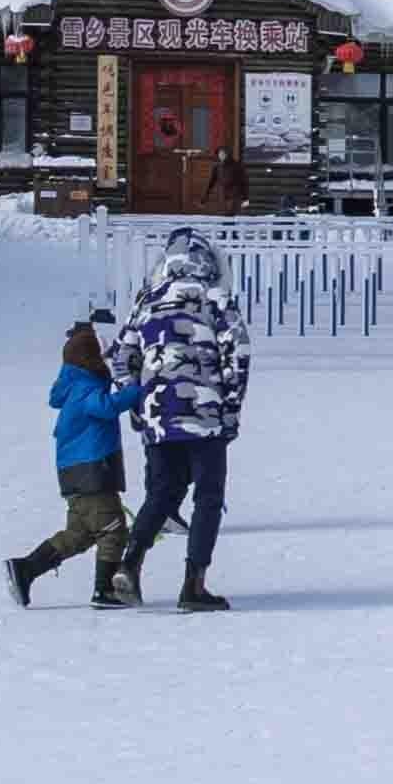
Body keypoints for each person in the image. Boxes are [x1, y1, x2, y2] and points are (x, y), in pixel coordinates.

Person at [111, 228, 249, 609]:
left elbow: (122, 357)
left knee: (162, 492)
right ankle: (194, 584)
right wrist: (231, 409)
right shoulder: (215, 298)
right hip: (206, 416)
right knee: (207, 496)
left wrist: (139, 407)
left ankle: (130, 564)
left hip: (158, 417)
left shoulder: (145, 301)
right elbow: (237, 354)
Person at [10, 315, 137, 604]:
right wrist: (136, 391)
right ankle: (104, 589)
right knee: (112, 527)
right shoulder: (86, 387)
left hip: (76, 472)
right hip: (92, 470)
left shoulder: (72, 385)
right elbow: (105, 407)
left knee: (80, 533)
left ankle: (26, 569)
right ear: (91, 360)